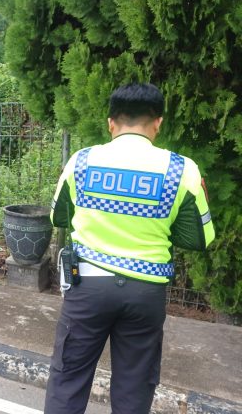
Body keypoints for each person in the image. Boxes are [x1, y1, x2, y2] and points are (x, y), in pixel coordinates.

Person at [44, 83, 215, 414]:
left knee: (68, 379)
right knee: (135, 388)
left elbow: (59, 216)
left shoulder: (81, 161)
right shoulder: (183, 170)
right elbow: (199, 238)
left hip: (87, 287)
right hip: (145, 293)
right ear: (158, 123)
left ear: (111, 122)